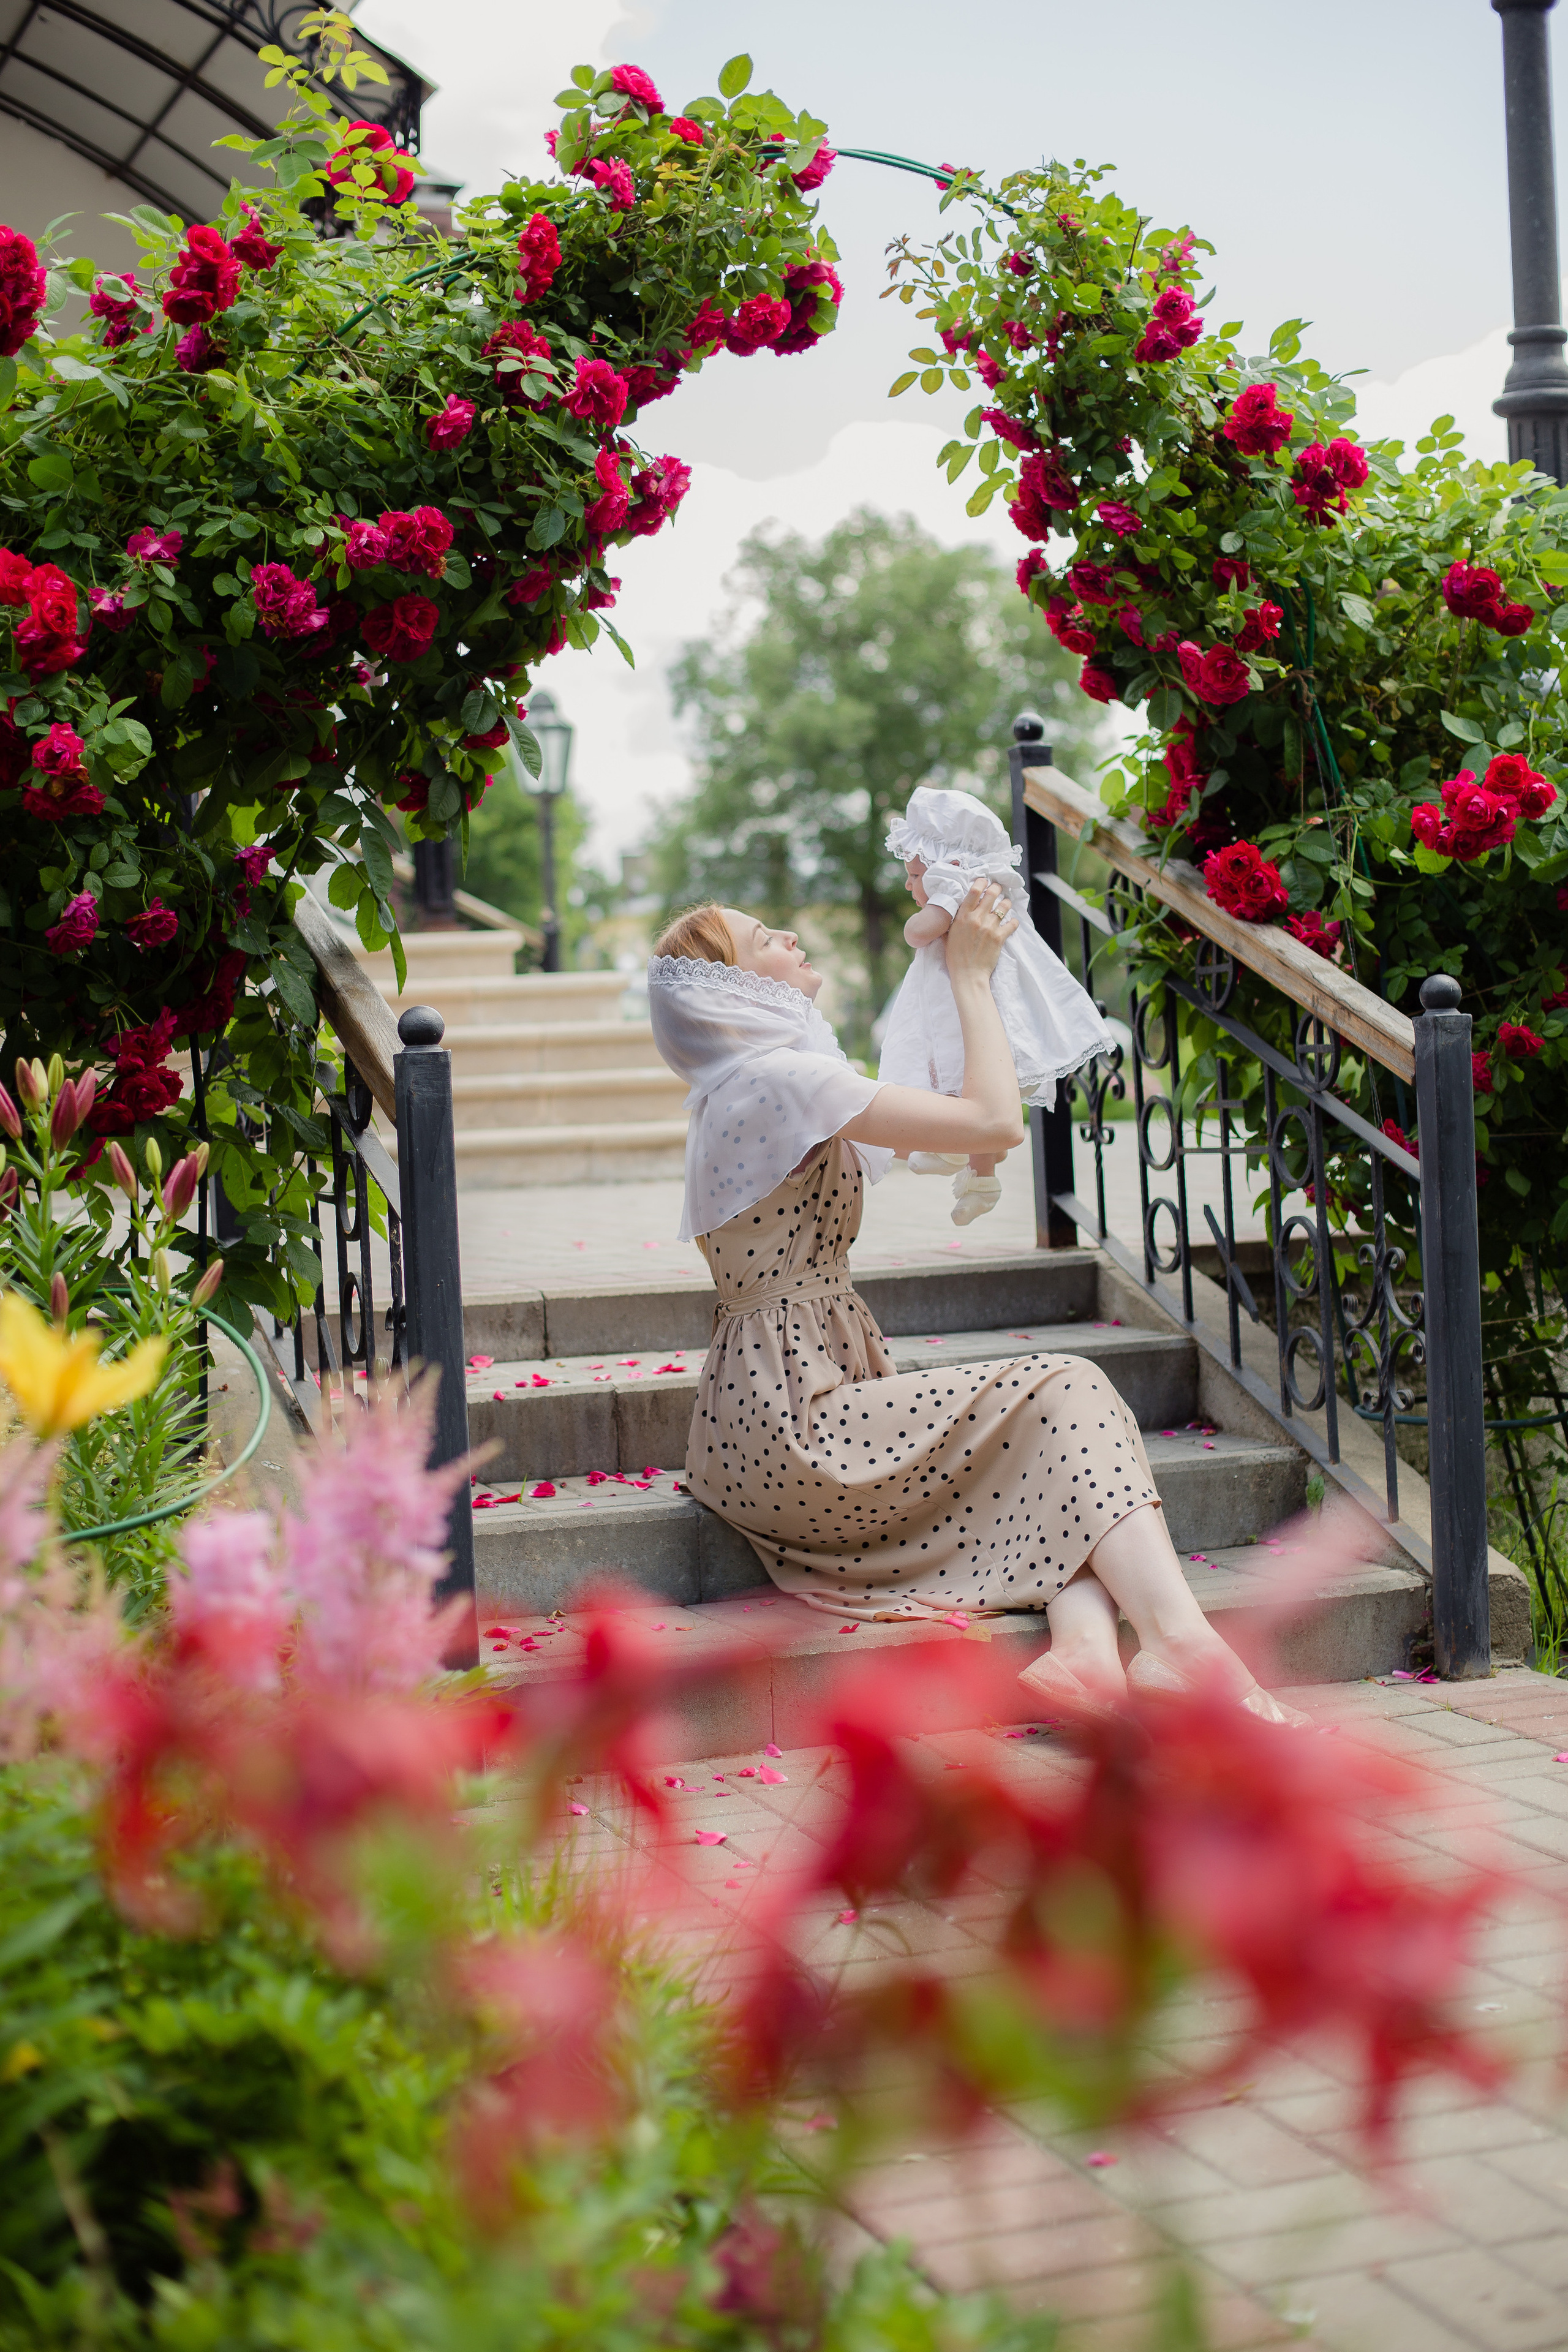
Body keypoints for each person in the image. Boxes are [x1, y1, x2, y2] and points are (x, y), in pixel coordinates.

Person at [646, 893, 1305, 1723]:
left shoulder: (750, 1086)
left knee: (1052, 1444)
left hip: (767, 1411)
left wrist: (952, 961)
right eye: (760, 938)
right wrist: (968, 974)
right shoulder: (781, 1082)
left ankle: (1085, 1655)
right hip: (795, 1423)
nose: (787, 932)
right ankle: (1183, 1646)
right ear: (733, 990)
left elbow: (956, 1121)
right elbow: (993, 1121)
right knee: (1065, 1385)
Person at [878, 785, 1114, 1224]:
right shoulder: (986, 883)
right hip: (981, 1003)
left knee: (963, 1071)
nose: (909, 885)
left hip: (966, 1004)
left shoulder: (957, 885)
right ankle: (978, 1176)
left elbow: (920, 931)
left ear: (946, 864)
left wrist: (913, 924)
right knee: (977, 1083)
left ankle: (958, 1152)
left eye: (914, 874)